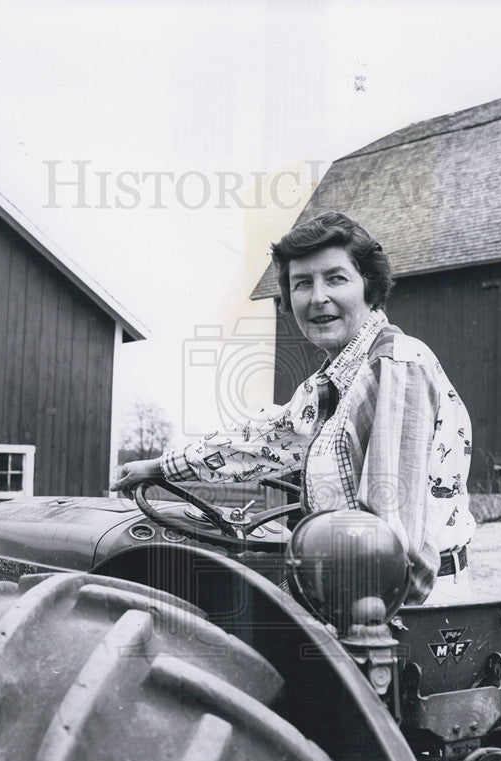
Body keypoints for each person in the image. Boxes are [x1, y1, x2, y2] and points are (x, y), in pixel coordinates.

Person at [111, 212, 475, 605]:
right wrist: (161, 468)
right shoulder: (335, 380)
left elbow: (392, 535)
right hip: (354, 591)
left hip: (396, 607)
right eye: (302, 283)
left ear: (368, 288)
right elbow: (265, 441)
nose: (318, 297)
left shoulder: (395, 365)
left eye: (336, 278)